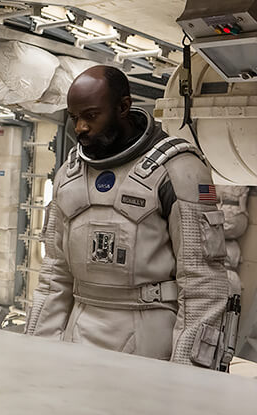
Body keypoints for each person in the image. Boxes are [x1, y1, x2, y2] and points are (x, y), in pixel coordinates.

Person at [25, 65, 230, 368]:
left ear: (123, 107)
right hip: (77, 337)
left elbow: (203, 284)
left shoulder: (178, 170)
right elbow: (55, 276)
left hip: (149, 345)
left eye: (91, 115)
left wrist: (188, 375)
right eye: (74, 117)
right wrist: (34, 355)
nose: (80, 127)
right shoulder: (69, 175)